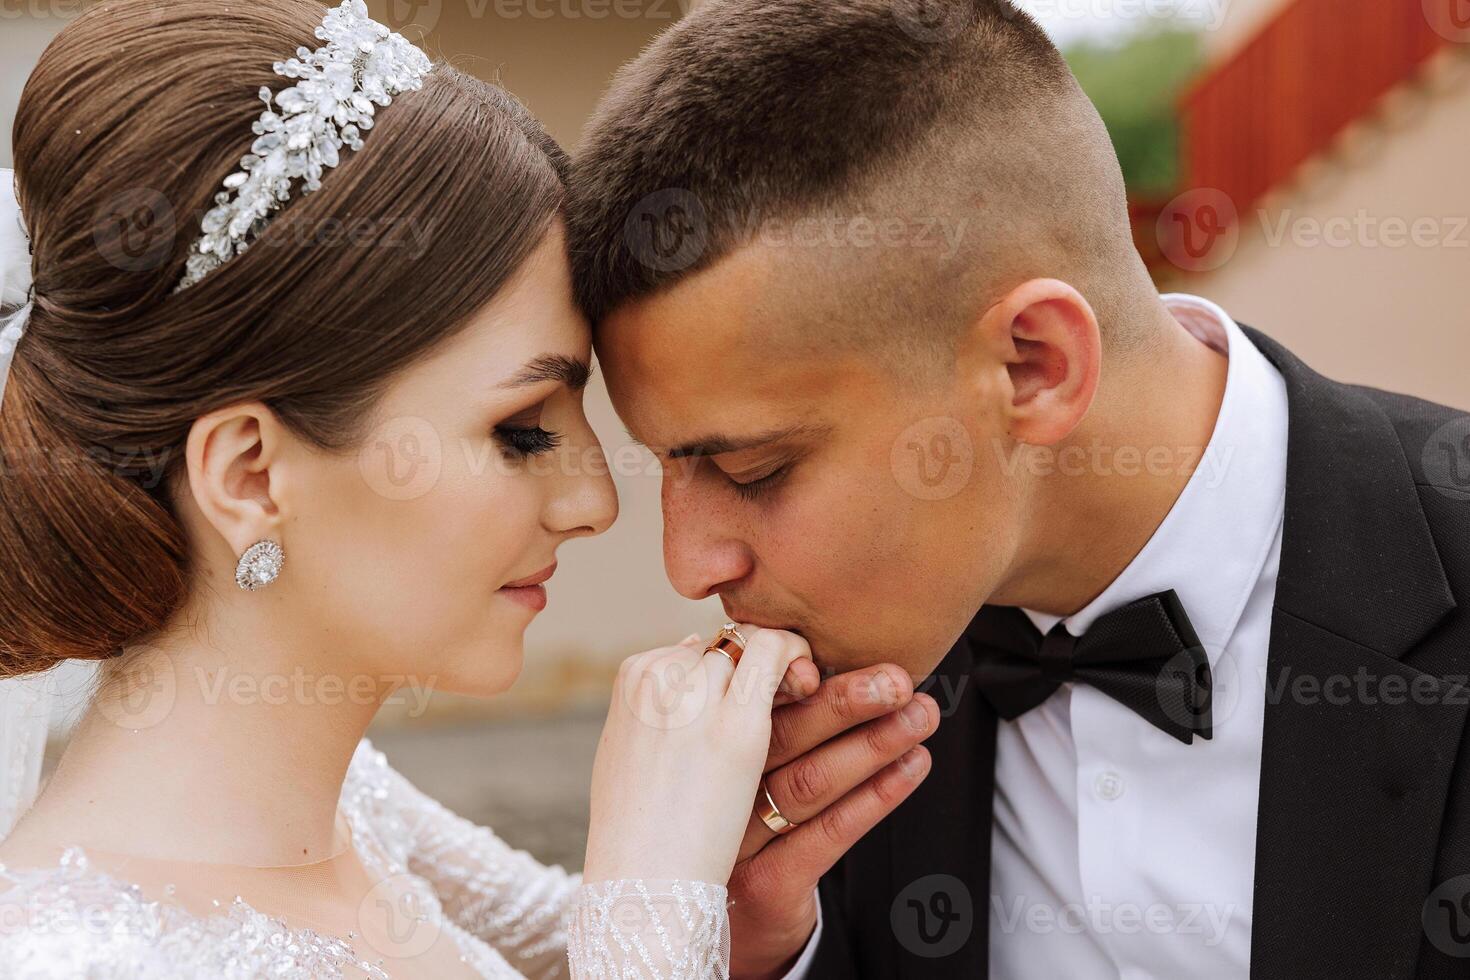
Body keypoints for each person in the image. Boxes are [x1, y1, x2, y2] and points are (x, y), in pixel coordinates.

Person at [0, 2, 936, 977]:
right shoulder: (74, 954)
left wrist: (722, 902)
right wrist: (650, 893)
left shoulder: (353, 803)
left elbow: (591, 942)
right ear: (247, 472)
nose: (596, 504)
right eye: (520, 430)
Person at [568, 0, 1470, 976]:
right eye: (666, 460)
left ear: (1033, 365)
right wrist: (754, 947)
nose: (688, 562)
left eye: (756, 469)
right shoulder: (807, 758)